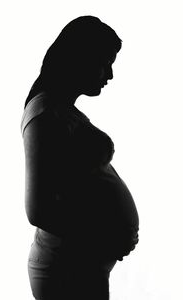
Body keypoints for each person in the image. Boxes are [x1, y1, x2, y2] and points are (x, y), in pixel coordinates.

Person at [20, 15, 139, 300]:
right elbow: (38, 211)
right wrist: (104, 238)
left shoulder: (60, 111)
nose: (109, 75)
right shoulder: (45, 116)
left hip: (78, 267)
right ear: (78, 58)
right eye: (104, 63)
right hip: (65, 270)